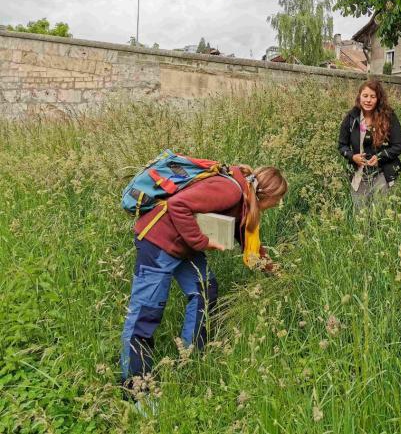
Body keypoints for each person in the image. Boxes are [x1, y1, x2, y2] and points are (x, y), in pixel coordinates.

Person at [120, 164, 287, 393]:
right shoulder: (230, 190)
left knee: (205, 291)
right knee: (145, 315)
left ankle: (191, 359)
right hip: (158, 243)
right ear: (266, 195)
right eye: (277, 200)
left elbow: (251, 249)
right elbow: (177, 205)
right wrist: (202, 242)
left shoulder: (245, 202)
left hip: (182, 246)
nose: (278, 205)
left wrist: (279, 274)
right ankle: (136, 392)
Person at [338, 79, 401, 209]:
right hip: (359, 173)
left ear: (378, 98)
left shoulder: (389, 116)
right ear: (359, 97)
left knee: (380, 213)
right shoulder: (351, 117)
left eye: (372, 96)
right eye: (365, 96)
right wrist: (352, 157)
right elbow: (342, 145)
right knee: (360, 213)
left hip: (383, 173)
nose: (368, 100)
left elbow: (399, 145)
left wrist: (380, 157)